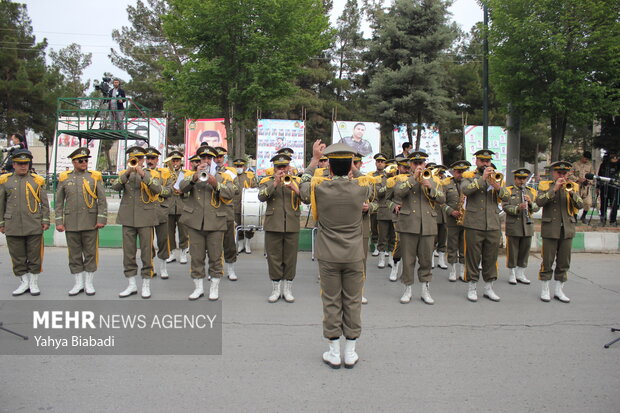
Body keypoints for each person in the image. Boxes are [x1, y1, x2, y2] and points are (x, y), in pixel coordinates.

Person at [300, 140, 372, 369]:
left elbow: (303, 184)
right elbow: (368, 181)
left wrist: (313, 160)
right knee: (352, 301)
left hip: (328, 255)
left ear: (329, 168)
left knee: (331, 301)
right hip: (353, 254)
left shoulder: (319, 187)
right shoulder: (361, 187)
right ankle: (350, 352)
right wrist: (352, 165)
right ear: (350, 166)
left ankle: (333, 351)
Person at [179, 146, 236, 301]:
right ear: (198, 160)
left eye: (208, 159)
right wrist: (195, 177)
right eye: (202, 158)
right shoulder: (189, 174)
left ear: (212, 160)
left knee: (215, 256)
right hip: (195, 222)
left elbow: (231, 193)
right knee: (196, 256)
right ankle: (198, 288)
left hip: (216, 222)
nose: (205, 161)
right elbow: (180, 189)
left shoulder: (224, 175)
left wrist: (215, 183)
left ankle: (214, 288)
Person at [394, 151, 445, 304]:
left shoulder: (433, 180)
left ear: (425, 164)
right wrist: (414, 180)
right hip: (409, 224)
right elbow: (398, 193)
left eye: (421, 163)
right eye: (415, 163)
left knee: (426, 260)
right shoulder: (403, 179)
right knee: (408, 259)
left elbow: (442, 199)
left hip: (428, 224)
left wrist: (429, 187)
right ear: (410, 165)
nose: (418, 166)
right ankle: (407, 289)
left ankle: (425, 289)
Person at [55, 147, 107, 296]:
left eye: (86, 160)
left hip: (90, 221)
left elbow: (102, 200)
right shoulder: (65, 177)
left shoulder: (94, 177)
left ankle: (89, 283)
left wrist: (101, 218)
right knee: (74, 254)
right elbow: (59, 201)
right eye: (81, 160)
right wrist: (59, 221)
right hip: (71, 222)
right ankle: (78, 283)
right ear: (74, 162)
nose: (84, 163)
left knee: (90, 253)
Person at [112, 146, 162, 299]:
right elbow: (115, 186)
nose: (137, 161)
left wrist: (142, 174)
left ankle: (146, 283)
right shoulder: (124, 174)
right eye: (134, 159)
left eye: (140, 158)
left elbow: (157, 189)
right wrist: (128, 172)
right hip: (128, 218)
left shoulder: (152, 173)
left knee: (147, 252)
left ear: (143, 160)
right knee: (129, 252)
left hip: (145, 218)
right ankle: (131, 284)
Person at [461, 149, 510, 302]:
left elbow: (507, 196)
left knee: (491, 257)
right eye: (482, 161)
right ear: (476, 161)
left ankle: (489, 287)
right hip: (474, 224)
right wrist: (482, 179)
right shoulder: (469, 177)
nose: (485, 163)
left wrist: (495, 185)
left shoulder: (497, 178)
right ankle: (472, 286)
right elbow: (465, 190)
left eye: (487, 161)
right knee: (473, 257)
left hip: (493, 224)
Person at [0, 149, 50, 296]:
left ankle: (34, 282)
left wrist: (45, 220)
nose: (23, 166)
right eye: (20, 163)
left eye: (26, 163)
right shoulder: (5, 181)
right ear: (13, 164)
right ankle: (24, 282)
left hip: (33, 223)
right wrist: (1, 223)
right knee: (17, 256)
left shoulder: (37, 180)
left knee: (34, 255)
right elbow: (1, 204)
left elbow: (45, 203)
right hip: (12, 224)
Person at [258, 153, 303, 303]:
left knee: (290, 258)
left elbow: (307, 198)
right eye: (279, 167)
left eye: (284, 166)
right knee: (274, 258)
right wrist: (275, 183)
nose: (282, 169)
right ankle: (276, 288)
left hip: (292, 224)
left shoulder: (297, 180)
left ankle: (288, 288)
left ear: (289, 166)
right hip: (273, 224)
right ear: (274, 167)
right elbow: (261, 196)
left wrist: (294, 188)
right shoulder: (267, 181)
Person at [536, 161, 583, 302]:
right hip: (550, 228)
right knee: (548, 260)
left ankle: (559, 290)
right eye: (559, 173)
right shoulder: (545, 185)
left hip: (567, 228)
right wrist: (554, 190)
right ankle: (545, 289)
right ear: (553, 173)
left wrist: (572, 194)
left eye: (564, 173)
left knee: (564, 261)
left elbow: (580, 205)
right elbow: (539, 202)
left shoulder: (573, 186)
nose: (562, 175)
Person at [503, 168, 539, 285]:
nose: (522, 181)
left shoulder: (531, 191)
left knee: (525, 250)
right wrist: (518, 208)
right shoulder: (508, 191)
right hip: (514, 225)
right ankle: (512, 273)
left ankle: (521, 273)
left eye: (524, 178)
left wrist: (530, 203)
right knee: (512, 251)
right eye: (519, 178)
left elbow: (536, 207)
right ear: (515, 179)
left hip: (527, 225)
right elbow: (505, 207)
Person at [145, 147, 173, 279]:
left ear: (157, 160)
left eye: (153, 158)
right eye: (148, 158)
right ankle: (151, 266)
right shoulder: (142, 173)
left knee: (163, 240)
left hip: (161, 210)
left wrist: (156, 188)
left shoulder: (165, 174)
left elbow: (169, 191)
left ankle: (163, 266)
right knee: (147, 241)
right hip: (145, 211)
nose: (150, 161)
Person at [214, 146, 240, 280]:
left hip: (226, 211)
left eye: (220, 157)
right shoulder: (209, 172)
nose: (217, 159)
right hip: (212, 211)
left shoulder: (231, 172)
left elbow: (236, 189)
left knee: (229, 242)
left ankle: (231, 269)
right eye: (215, 157)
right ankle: (214, 269)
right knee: (213, 244)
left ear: (223, 158)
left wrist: (220, 188)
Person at [441, 160, 470, 281]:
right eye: (458, 171)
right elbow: (441, 202)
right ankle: (452, 269)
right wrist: (451, 211)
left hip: (467, 219)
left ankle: (462, 270)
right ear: (453, 171)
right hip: (452, 220)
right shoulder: (446, 184)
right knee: (452, 245)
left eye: (463, 171)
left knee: (464, 245)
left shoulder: (469, 183)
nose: (461, 174)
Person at [384, 157, 411, 282]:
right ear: (399, 167)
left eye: (408, 167)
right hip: (398, 216)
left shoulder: (416, 179)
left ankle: (408, 271)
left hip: (412, 216)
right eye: (404, 167)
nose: (407, 169)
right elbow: (387, 200)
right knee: (399, 242)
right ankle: (395, 265)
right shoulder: (392, 181)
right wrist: (394, 206)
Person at [166, 150, 190, 264]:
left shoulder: (185, 174)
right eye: (173, 160)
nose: (175, 162)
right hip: (169, 206)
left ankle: (183, 252)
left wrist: (183, 192)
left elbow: (191, 190)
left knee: (183, 232)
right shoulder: (165, 173)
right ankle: (171, 253)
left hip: (182, 206)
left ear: (181, 161)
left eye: (177, 160)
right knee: (169, 232)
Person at [233, 158, 258, 254]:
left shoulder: (250, 176)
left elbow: (256, 188)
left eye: (240, 166)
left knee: (249, 224)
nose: (239, 168)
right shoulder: (231, 176)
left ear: (244, 167)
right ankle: (240, 244)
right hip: (235, 205)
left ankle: (248, 243)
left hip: (248, 206)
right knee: (237, 224)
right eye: (237, 166)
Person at [375, 157, 397, 269]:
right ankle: (382, 258)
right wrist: (388, 185)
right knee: (382, 237)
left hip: (394, 211)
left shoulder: (398, 178)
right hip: (383, 211)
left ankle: (391, 259)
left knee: (393, 237)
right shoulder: (380, 178)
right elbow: (378, 192)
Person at [368, 153, 387, 256]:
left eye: (382, 162)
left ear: (385, 164)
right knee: (374, 226)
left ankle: (385, 248)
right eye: (378, 161)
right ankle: (376, 247)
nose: (380, 163)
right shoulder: (371, 175)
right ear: (375, 163)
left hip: (385, 205)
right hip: (375, 204)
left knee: (386, 228)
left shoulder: (388, 176)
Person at [569, 151, 595, 224]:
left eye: (587, 159)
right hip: (576, 186)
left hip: (586, 187)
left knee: (588, 203)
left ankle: (583, 216)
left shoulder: (590, 166)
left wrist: (588, 181)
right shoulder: (575, 164)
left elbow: (593, 176)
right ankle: (574, 217)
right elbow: (569, 174)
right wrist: (577, 179)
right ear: (582, 157)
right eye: (585, 158)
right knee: (575, 201)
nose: (586, 160)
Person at [432, 165, 449, 270]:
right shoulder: (433, 182)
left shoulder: (447, 183)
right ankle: (431, 259)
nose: (441, 175)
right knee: (433, 238)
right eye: (439, 174)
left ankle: (441, 260)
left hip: (444, 214)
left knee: (443, 238)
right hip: (435, 212)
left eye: (442, 174)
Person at [597, 152, 619, 226]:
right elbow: (599, 176)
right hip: (605, 186)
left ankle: (613, 220)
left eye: (616, 157)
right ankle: (603, 219)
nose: (614, 159)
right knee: (603, 203)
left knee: (614, 204)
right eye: (613, 157)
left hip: (615, 187)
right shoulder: (604, 165)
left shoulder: (619, 165)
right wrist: (598, 187)